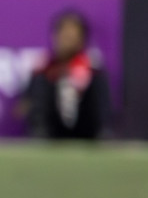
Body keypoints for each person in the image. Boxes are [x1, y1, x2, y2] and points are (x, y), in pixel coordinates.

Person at [23, 11, 109, 140]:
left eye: (72, 36)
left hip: (86, 135)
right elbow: (27, 105)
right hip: (50, 136)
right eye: (64, 36)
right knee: (41, 84)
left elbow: (102, 108)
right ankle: (41, 135)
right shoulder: (43, 69)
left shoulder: (93, 70)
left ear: (81, 40)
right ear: (55, 37)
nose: (68, 41)